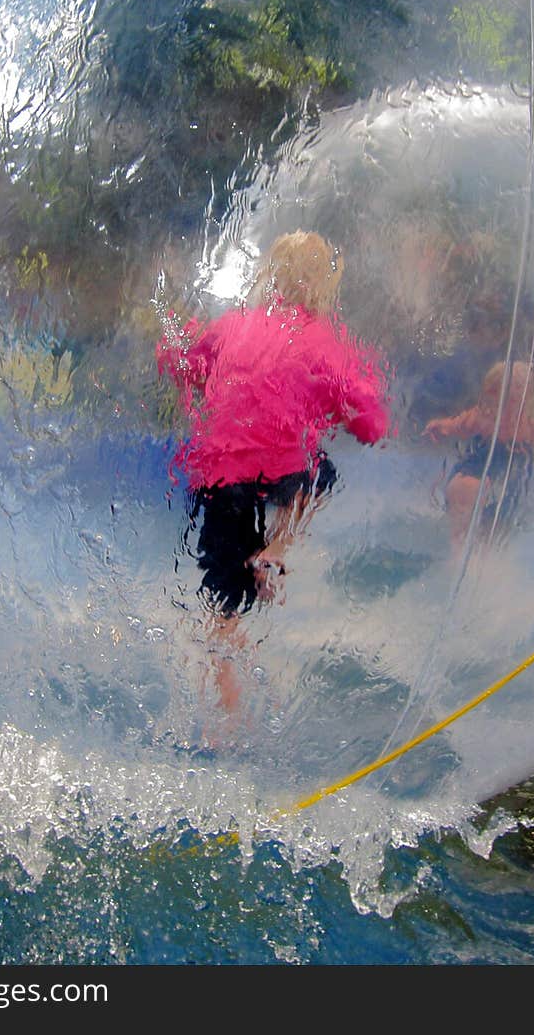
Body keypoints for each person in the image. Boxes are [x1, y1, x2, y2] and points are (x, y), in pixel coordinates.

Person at [156, 230, 390, 716]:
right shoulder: (324, 342)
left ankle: (226, 724)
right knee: (317, 471)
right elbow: (371, 425)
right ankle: (278, 546)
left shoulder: (233, 325)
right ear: (324, 286)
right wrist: (365, 389)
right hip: (284, 469)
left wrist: (173, 340)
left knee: (220, 609)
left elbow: (184, 364)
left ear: (270, 275)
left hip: (219, 475)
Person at [423, 359, 534, 547]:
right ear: (495, 392)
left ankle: (484, 556)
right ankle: (459, 549)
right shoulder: (481, 418)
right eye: (514, 391)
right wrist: (439, 427)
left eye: (523, 391)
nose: (519, 398)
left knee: (495, 531)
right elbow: (456, 426)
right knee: (465, 490)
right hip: (474, 473)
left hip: (507, 488)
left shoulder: (532, 430)